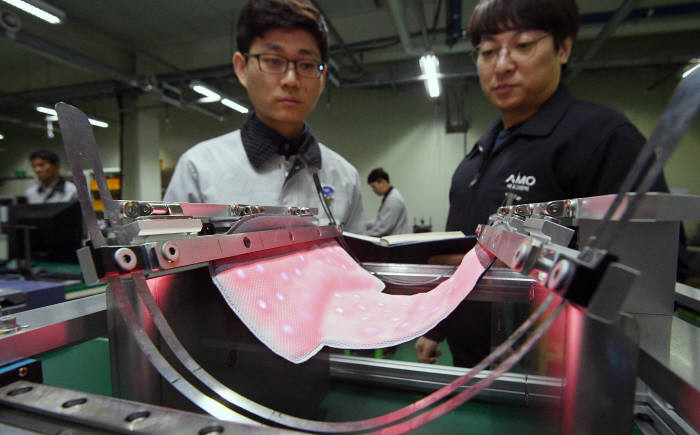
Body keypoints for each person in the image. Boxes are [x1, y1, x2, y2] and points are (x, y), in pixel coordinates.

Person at [415, 0, 671, 367]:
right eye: (488, 51)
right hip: (471, 365)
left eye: (523, 45)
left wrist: (524, 267)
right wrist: (438, 325)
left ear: (563, 48)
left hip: (553, 373)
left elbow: (647, 281)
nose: (501, 65)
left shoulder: (604, 139)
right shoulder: (477, 157)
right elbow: (462, 257)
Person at [163, 0, 365, 233]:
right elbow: (169, 254)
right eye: (273, 61)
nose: (291, 80)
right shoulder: (199, 169)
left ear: (322, 78)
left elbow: (354, 256)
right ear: (241, 68)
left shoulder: (345, 178)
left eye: (307, 65)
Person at [365, 168, 410, 237]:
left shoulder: (393, 199)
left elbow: (383, 228)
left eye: (374, 187)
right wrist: (362, 225)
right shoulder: (389, 196)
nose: (374, 190)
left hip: (396, 241)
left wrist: (363, 234)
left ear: (383, 182)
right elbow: (377, 220)